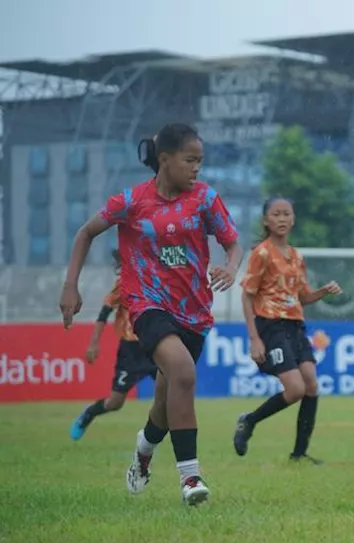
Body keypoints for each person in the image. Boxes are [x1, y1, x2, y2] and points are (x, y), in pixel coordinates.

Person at [59, 123, 242, 506]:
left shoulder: (205, 199)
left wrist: (231, 266)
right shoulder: (131, 201)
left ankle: (143, 451)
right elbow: (85, 233)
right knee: (184, 373)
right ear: (164, 159)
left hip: (194, 313)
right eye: (190, 160)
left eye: (201, 161)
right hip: (147, 305)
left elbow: (232, 243)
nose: (197, 168)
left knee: (164, 400)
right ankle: (190, 478)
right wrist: (70, 285)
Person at [232, 197, 342, 463]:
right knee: (295, 389)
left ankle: (299, 454)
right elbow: (247, 296)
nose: (282, 219)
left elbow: (302, 297)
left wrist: (323, 292)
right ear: (266, 221)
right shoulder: (262, 253)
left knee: (312, 385)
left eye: (286, 214)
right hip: (271, 326)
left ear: (293, 219)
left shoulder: (296, 256)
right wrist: (254, 338)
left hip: (295, 325)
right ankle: (249, 421)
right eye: (276, 214)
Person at [68, 250, 159, 440]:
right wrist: (93, 343)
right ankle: (90, 413)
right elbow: (104, 314)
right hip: (130, 351)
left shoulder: (158, 282)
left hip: (154, 346)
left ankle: (156, 438)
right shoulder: (123, 285)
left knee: (173, 393)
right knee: (115, 403)